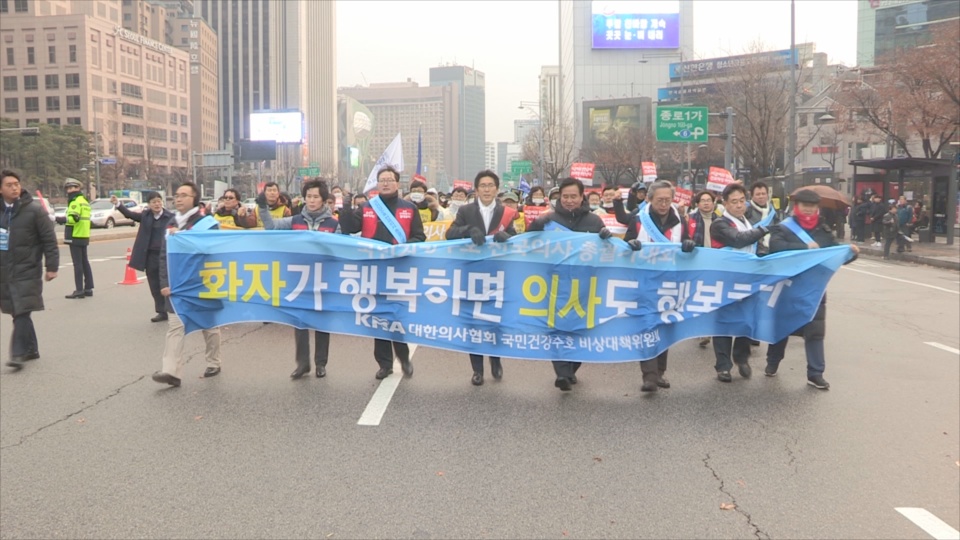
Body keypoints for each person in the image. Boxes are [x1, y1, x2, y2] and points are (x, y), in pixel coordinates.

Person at [527, 177, 620, 392]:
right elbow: (526, 244)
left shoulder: (594, 221)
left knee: (582, 329)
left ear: (581, 197)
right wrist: (535, 226)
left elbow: (608, 252)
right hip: (555, 283)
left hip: (585, 284)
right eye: (565, 196)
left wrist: (606, 238)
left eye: (573, 196)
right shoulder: (548, 220)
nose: (569, 200)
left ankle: (571, 369)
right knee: (556, 328)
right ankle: (562, 373)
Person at [765, 189, 859, 389]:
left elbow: (834, 255)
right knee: (782, 327)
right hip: (788, 287)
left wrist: (850, 254)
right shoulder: (784, 228)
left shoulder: (823, 230)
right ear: (796, 207)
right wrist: (805, 248)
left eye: (812, 206)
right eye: (804, 205)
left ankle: (816, 373)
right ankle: (773, 361)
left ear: (818, 208)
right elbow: (776, 248)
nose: (808, 209)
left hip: (814, 290)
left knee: (815, 331)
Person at [339, 165, 425, 380]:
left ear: (397, 183)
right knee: (378, 318)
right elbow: (349, 228)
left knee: (397, 316)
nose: (385, 183)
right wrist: (346, 205)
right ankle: (384, 364)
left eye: (389, 180)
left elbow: (419, 236)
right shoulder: (367, 207)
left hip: (399, 270)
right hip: (373, 270)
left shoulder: (409, 208)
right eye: (382, 180)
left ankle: (403, 358)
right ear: (377, 184)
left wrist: (402, 249)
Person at [260, 179, 340, 380]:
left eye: (315, 197)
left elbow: (340, 250)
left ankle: (321, 363)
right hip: (299, 279)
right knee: (300, 321)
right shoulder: (295, 221)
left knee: (322, 323)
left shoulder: (333, 224)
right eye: (308, 196)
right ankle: (302, 363)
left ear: (323, 200)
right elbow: (270, 226)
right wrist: (262, 207)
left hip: (323, 279)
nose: (311, 200)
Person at [445, 170, 517, 386]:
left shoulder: (507, 212)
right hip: (472, 274)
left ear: (497, 189)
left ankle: (496, 359)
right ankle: (477, 369)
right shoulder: (466, 210)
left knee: (495, 321)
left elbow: (517, 240)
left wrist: (508, 236)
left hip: (497, 274)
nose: (487, 189)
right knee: (473, 323)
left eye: (490, 185)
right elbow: (450, 234)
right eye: (483, 186)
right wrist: (468, 230)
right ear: (476, 190)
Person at [623, 180, 694, 392]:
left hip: (670, 281)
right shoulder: (638, 220)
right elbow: (625, 245)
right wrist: (631, 244)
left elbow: (689, 243)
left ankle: (660, 372)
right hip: (644, 281)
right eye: (659, 200)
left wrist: (689, 244)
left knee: (664, 326)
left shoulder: (679, 220)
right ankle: (649, 376)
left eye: (667, 200)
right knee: (647, 325)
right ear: (649, 199)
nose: (664, 204)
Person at [152, 182, 222, 387]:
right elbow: (164, 256)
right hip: (177, 286)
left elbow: (213, 249)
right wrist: (164, 283)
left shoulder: (207, 223)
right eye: (176, 195)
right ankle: (171, 372)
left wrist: (184, 238)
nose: (178, 199)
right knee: (175, 327)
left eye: (184, 195)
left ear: (195, 199)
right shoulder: (171, 223)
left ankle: (214, 362)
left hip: (202, 282)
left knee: (209, 326)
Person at [709, 183, 771, 383]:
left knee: (748, 320)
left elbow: (758, 247)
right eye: (734, 202)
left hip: (748, 280)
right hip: (726, 280)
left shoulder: (748, 223)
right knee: (724, 323)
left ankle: (741, 357)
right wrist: (763, 230)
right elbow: (738, 240)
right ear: (725, 204)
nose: (738, 205)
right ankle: (723, 365)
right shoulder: (719, 224)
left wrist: (765, 255)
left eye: (742, 201)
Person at [1, 170, 59, 370]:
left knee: (22, 310)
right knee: (17, 311)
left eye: (16, 184)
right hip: (5, 270)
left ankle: (17, 354)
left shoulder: (34, 210)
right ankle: (31, 348)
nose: (14, 188)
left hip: (27, 268)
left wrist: (52, 266)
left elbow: (49, 239)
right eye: (9, 185)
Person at [111, 191, 174, 322]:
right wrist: (118, 204)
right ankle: (161, 311)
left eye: (159, 201)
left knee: (167, 283)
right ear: (149, 204)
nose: (157, 204)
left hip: (165, 256)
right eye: (153, 202)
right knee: (154, 285)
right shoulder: (146, 216)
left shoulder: (170, 217)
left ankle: (172, 310)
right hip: (150, 255)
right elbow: (130, 214)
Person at [688, 190, 718, 349]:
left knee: (711, 295)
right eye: (703, 200)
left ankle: (707, 330)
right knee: (698, 296)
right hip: (697, 262)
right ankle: (701, 329)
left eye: (709, 200)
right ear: (698, 204)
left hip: (715, 263)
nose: (706, 203)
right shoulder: (690, 219)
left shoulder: (720, 220)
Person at [56, 178, 92, 299]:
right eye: (68, 188)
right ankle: (88, 288)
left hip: (75, 234)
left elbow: (73, 219)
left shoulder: (74, 202)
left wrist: (58, 219)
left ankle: (79, 290)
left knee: (77, 264)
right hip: (84, 234)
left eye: (72, 188)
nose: (70, 190)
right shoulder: (84, 201)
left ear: (78, 188)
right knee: (84, 262)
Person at [744, 181, 780, 256]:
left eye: (763, 194)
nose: (761, 196)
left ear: (767, 195)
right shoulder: (745, 209)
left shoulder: (772, 210)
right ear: (751, 195)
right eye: (758, 194)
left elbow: (778, 227)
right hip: (753, 250)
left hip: (772, 249)